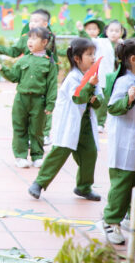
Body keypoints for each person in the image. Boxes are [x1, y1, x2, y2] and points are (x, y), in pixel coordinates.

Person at [28, 38, 102, 201]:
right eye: (89, 54)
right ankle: (39, 183)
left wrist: (95, 98)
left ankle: (84, 187)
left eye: (94, 54)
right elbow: (78, 98)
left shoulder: (93, 76)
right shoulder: (73, 78)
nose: (93, 58)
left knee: (90, 154)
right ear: (77, 58)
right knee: (59, 153)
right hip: (70, 122)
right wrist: (90, 87)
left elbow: (99, 101)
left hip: (86, 124)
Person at [100, 38, 135, 245]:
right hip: (127, 141)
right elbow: (113, 107)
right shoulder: (124, 81)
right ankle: (111, 220)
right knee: (123, 182)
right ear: (133, 60)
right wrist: (128, 100)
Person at [0, 27, 58, 168]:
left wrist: (50, 104)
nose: (30, 41)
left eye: (34, 38)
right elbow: (14, 77)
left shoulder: (49, 63)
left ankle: (37, 156)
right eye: (29, 38)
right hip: (21, 99)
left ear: (44, 42)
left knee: (37, 130)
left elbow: (52, 85)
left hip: (39, 100)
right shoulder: (23, 60)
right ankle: (20, 156)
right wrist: (3, 69)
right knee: (19, 127)